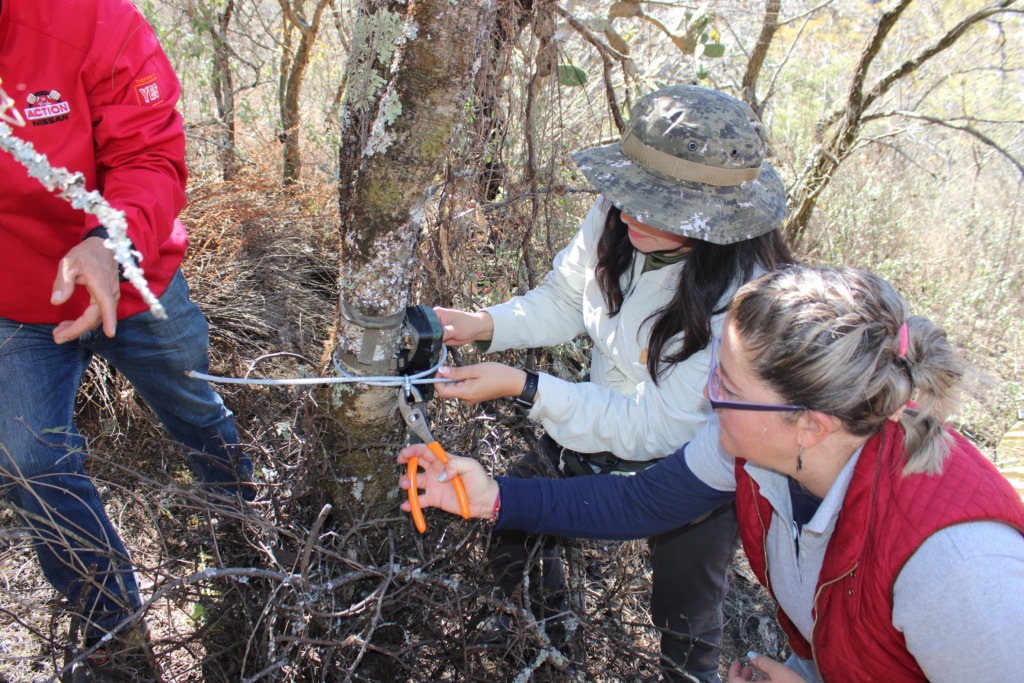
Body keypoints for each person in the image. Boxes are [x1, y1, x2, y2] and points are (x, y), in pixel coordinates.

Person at [401, 264, 1024, 683]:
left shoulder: (961, 573)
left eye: (725, 382)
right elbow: (642, 504)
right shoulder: (754, 449)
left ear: (810, 423)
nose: (706, 394)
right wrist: (491, 498)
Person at [432, 85, 791, 681]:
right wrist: (485, 324)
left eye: (656, 205)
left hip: (694, 467)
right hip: (591, 428)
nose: (628, 213)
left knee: (684, 617)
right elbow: (566, 298)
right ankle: (545, 655)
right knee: (514, 526)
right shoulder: (620, 214)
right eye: (628, 192)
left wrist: (526, 388)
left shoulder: (749, 302)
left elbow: (659, 425)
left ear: (714, 217)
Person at [0, 0, 253, 677]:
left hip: (137, 272)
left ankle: (245, 539)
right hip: (19, 300)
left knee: (197, 409)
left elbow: (151, 155)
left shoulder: (90, 19)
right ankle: (116, 635)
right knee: (30, 459)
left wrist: (108, 244)